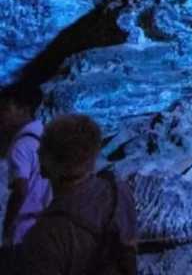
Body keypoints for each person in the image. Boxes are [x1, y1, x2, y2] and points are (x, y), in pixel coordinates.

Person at [16, 114, 137, 275]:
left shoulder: (46, 235)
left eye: (42, 147)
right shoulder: (119, 190)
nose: (37, 151)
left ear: (46, 163)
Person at [1, 84, 52, 254]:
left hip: (25, 228)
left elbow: (21, 189)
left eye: (6, 109)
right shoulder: (45, 135)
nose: (2, 115)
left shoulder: (20, 146)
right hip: (47, 224)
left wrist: (8, 225)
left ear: (24, 109)